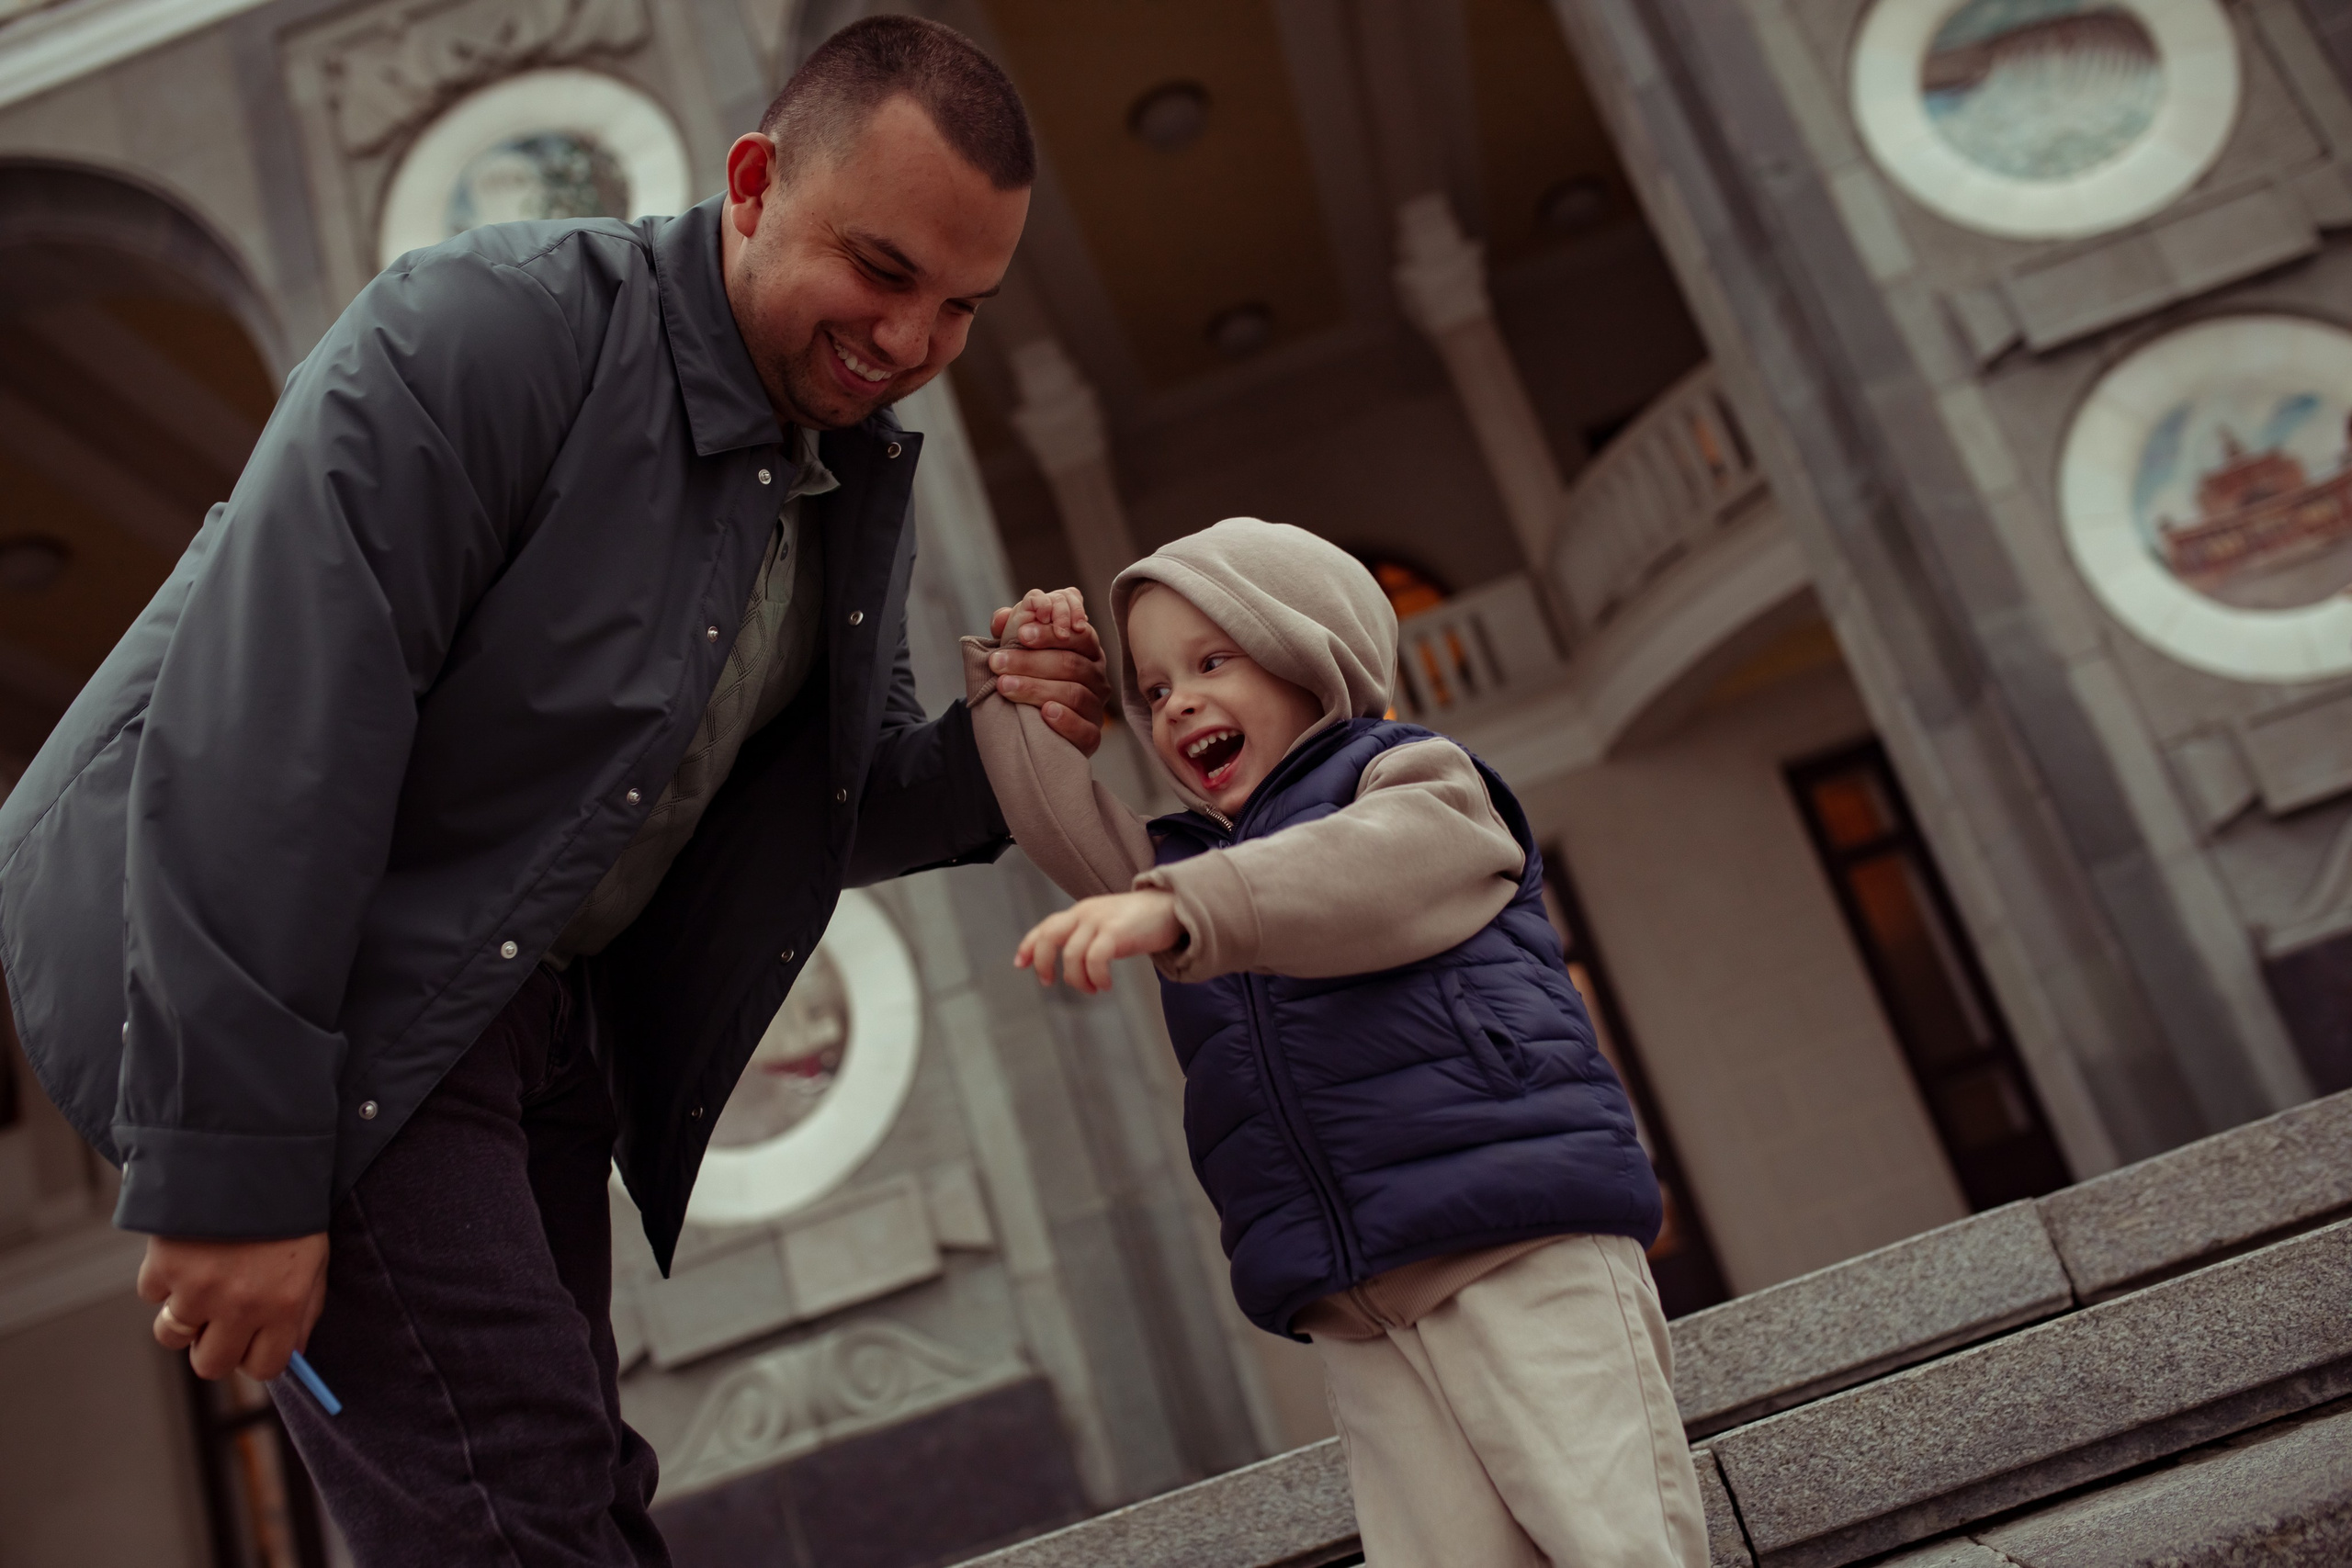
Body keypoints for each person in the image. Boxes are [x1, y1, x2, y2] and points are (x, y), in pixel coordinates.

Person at [0, 18, 1111, 1566]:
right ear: (749, 183)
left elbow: (820, 804)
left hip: (527, 1010)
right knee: (503, 1488)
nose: (911, 337)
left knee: (572, 1483)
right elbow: (266, 733)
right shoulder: (480, 332)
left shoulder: (848, 477)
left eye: (960, 308)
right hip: (327, 981)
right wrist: (230, 1159)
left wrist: (1012, 732)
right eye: (880, 267)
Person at [967, 520, 1709, 1568]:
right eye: (1153, 686)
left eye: (1213, 661)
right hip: (1360, 1306)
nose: (1175, 701)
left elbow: (1364, 872)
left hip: (1518, 1254)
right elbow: (1057, 818)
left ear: (1310, 657)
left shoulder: (1415, 784)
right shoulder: (1190, 863)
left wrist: (1185, 907)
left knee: (1613, 1546)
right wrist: (1020, 694)